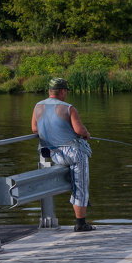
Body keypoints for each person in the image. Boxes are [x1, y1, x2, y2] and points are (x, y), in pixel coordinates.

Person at [31, 77, 96, 232]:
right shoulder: (69, 108)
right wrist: (86, 133)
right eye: (66, 90)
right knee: (80, 185)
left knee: (75, 182)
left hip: (53, 154)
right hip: (73, 153)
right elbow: (79, 131)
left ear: (49, 91)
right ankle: (80, 223)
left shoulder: (37, 106)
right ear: (62, 91)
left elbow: (34, 129)